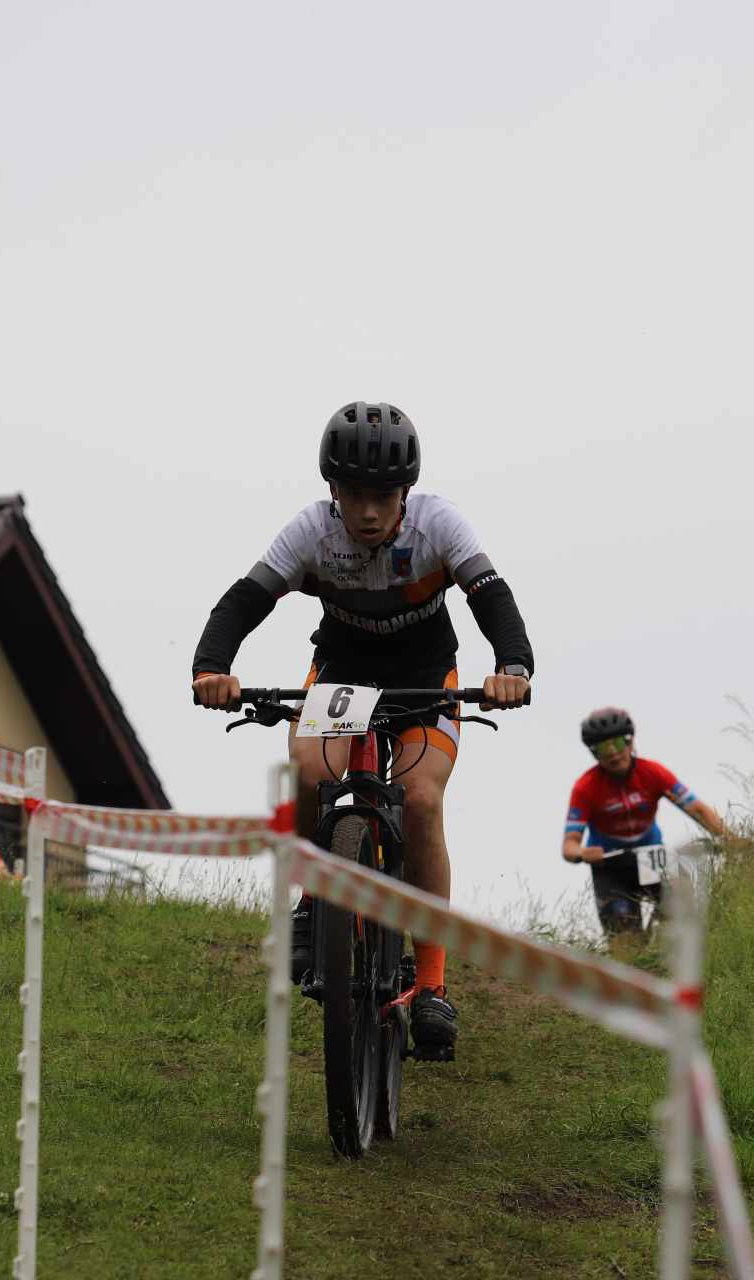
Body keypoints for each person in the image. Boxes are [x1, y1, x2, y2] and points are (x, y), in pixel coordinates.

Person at [192, 401, 533, 1060]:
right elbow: (243, 601)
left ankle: (431, 984)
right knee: (310, 772)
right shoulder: (310, 532)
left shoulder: (440, 524)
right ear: (332, 490)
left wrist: (511, 668)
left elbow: (493, 597)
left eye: (383, 496)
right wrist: (212, 669)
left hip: (425, 678)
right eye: (354, 496)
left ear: (406, 492)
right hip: (343, 674)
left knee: (423, 801)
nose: (369, 512)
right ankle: (314, 901)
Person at [563, 706, 735, 937]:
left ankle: (663, 947)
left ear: (630, 741)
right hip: (610, 867)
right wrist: (582, 853)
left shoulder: (653, 773)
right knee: (624, 940)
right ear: (595, 753)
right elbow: (569, 846)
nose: (613, 753)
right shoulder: (585, 788)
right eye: (604, 747)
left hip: (651, 857)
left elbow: (697, 809)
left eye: (618, 743)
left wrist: (731, 839)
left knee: (680, 911)